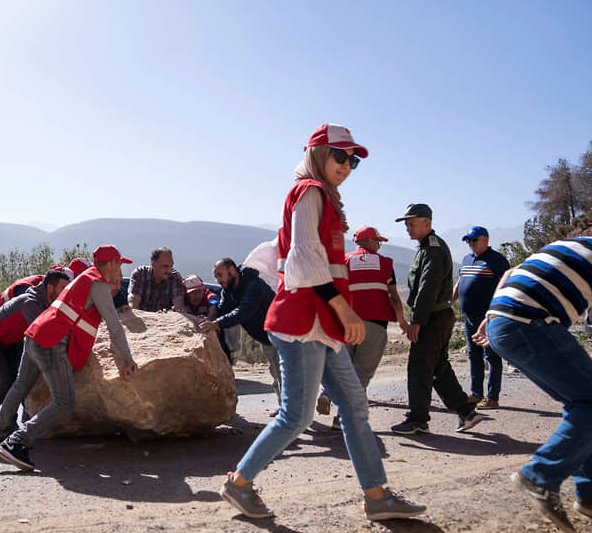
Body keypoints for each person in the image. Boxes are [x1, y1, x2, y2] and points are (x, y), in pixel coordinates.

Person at [219, 123, 425, 521]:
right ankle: (239, 483)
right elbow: (301, 261)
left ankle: (378, 495)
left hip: (321, 326)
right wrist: (345, 310)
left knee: (354, 406)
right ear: (316, 155)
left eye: (353, 160)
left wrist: (338, 314)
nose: (347, 165)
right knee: (296, 416)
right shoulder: (309, 191)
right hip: (302, 325)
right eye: (339, 155)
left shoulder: (322, 197)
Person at [473, 236, 592, 532]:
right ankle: (539, 476)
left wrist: (489, 314)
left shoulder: (579, 244)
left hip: (502, 321)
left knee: (582, 404)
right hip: (529, 323)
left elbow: (509, 274)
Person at [0, 245, 138, 471]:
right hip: (52, 342)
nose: (120, 270)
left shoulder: (84, 278)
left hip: (36, 334)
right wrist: (127, 358)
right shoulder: (97, 283)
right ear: (110, 264)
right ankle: (16, 441)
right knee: (65, 401)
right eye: (119, 264)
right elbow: (113, 324)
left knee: (22, 384)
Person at [390, 204, 483, 435]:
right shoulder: (427, 247)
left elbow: (427, 287)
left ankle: (418, 419)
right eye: (406, 224)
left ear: (427, 224)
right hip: (438, 316)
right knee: (438, 367)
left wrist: (416, 321)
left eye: (412, 223)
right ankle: (466, 411)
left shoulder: (432, 248)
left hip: (432, 318)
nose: (408, 228)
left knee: (420, 367)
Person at [0, 266, 72, 446]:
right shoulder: (30, 301)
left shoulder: (46, 302)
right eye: (62, 288)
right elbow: (42, 332)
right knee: (4, 380)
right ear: (50, 288)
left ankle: (1, 425)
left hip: (5, 343)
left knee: (15, 381)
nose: (64, 293)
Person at [316, 226, 409, 429]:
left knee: (343, 369)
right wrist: (402, 321)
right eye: (378, 241)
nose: (379, 245)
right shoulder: (385, 263)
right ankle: (342, 419)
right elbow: (394, 298)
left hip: (346, 324)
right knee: (360, 375)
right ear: (370, 241)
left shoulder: (344, 261)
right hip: (374, 325)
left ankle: (328, 393)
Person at [200, 258, 282, 408]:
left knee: (285, 375)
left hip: (282, 335)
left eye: (220, 275)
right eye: (216, 276)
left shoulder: (253, 286)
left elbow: (244, 311)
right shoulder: (228, 291)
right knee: (276, 373)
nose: (218, 280)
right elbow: (223, 309)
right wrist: (206, 318)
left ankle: (292, 414)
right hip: (266, 338)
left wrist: (216, 323)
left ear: (232, 271)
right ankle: (285, 409)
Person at [452, 226, 510, 409]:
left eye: (474, 240)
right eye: (468, 240)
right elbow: (460, 283)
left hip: (489, 318)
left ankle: (492, 398)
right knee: (473, 355)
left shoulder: (497, 260)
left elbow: (505, 287)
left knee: (491, 356)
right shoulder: (467, 259)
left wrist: (496, 313)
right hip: (469, 316)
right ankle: (476, 394)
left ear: (485, 239)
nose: (470, 244)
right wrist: (448, 301)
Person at [127, 247, 185, 312]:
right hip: (141, 317)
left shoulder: (174, 276)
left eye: (171, 266)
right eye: (165, 266)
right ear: (153, 265)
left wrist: (179, 310)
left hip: (163, 317)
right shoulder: (140, 274)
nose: (169, 270)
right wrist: (131, 310)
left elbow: (178, 301)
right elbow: (134, 298)